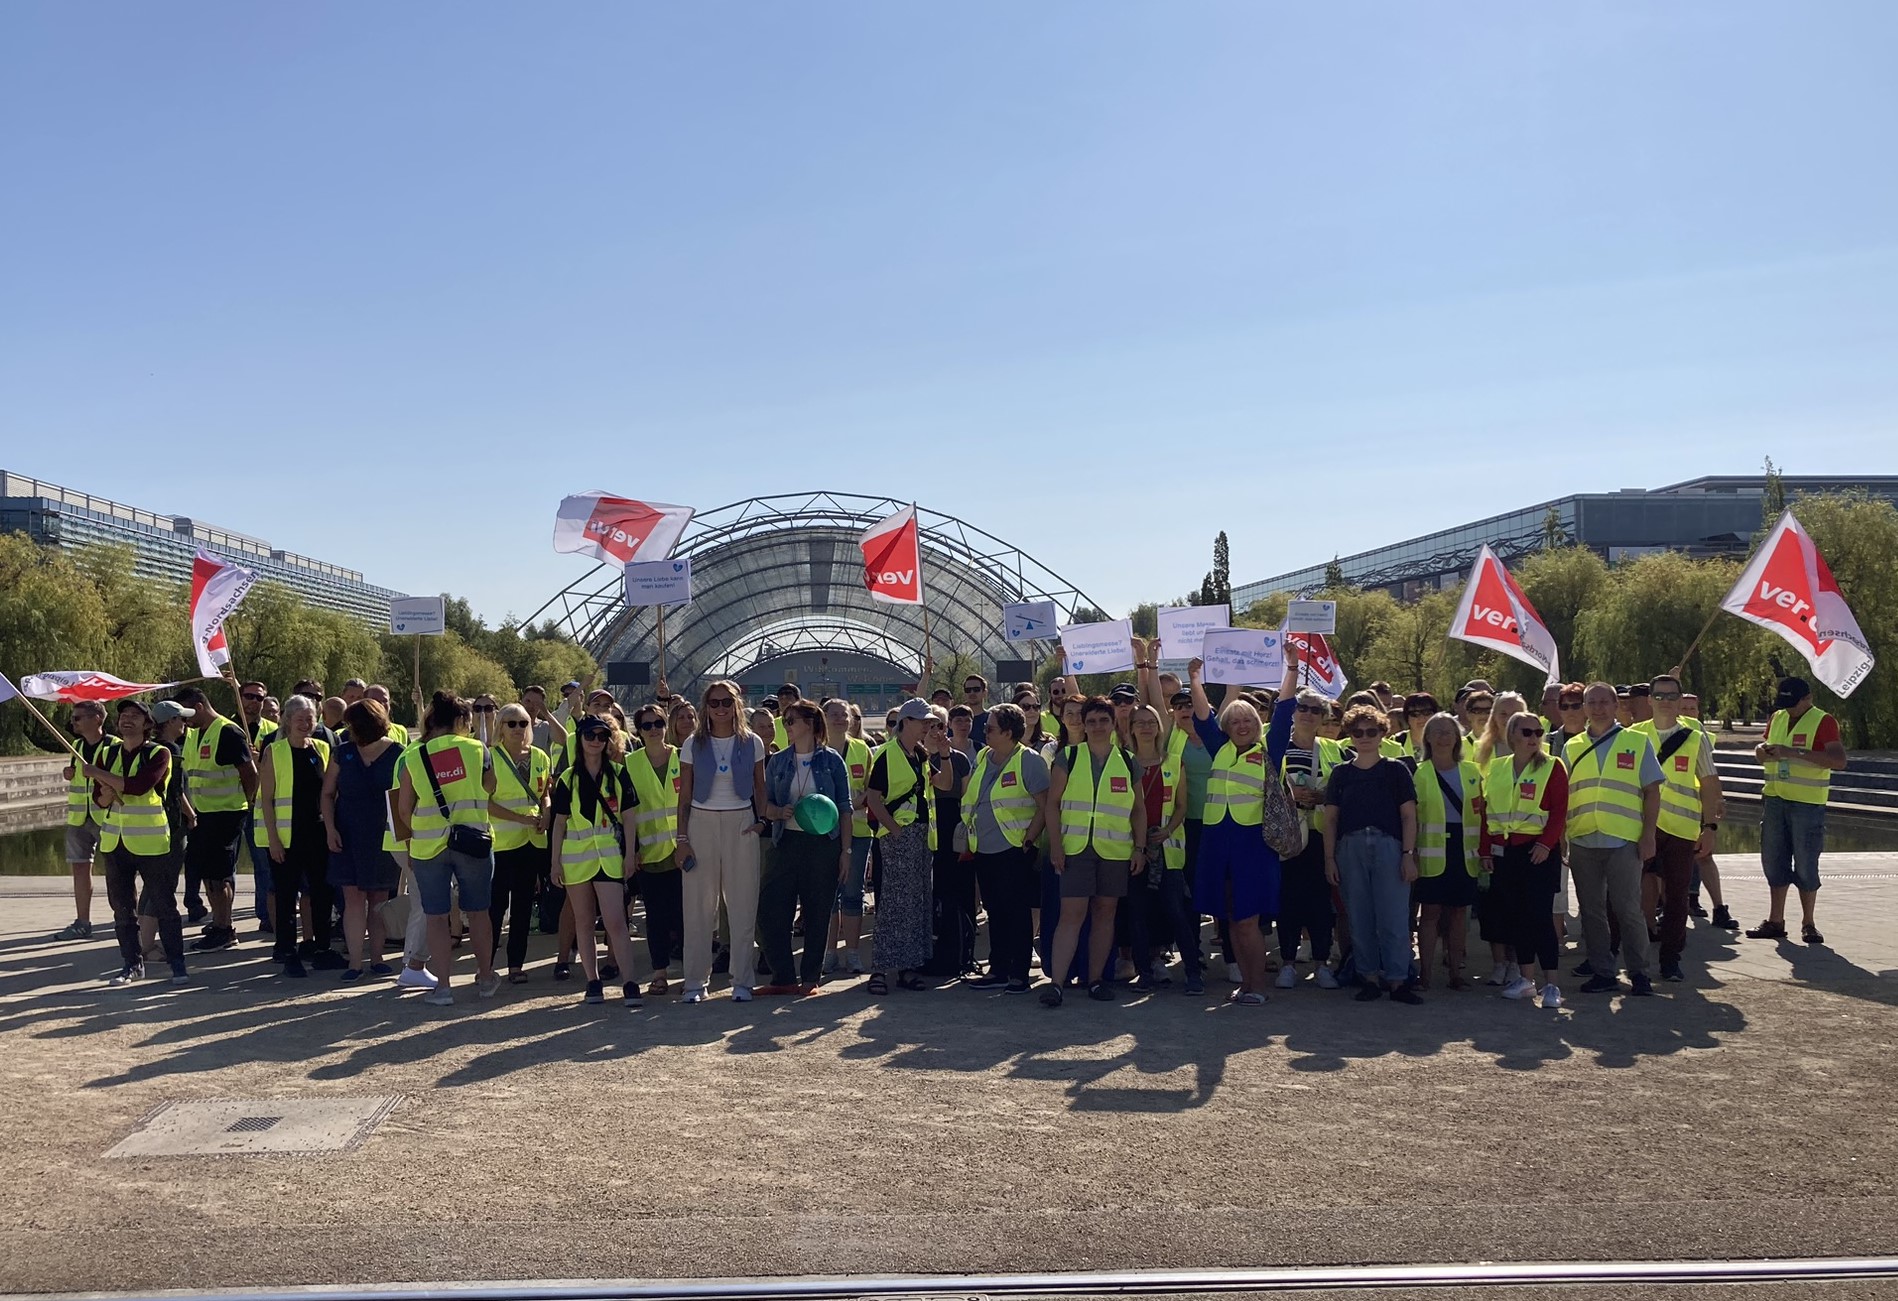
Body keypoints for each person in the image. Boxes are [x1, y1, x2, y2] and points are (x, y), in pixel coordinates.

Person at [1186, 656, 1284, 1004]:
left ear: (1258, 724)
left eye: (1248, 720)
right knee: (1228, 919)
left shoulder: (1269, 750)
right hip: (1216, 842)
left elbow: (1285, 711)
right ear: (1227, 727)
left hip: (1252, 843)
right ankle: (1244, 985)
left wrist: (1291, 668)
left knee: (1247, 921)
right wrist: (1195, 680)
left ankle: (1257, 986)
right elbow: (1202, 717)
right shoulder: (1219, 749)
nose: (1242, 725)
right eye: (1236, 721)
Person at [395, 691, 500, 1005]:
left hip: (428, 846)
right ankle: (484, 977)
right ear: (460, 720)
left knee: (436, 916)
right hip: (473, 841)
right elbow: (490, 787)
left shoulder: (413, 755)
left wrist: (418, 834)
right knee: (479, 913)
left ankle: (443, 987)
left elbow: (403, 808)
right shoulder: (477, 749)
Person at [1044, 696, 1147, 1006]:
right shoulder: (1068, 757)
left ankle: (1096, 980)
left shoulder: (1129, 761)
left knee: (1105, 915)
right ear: (1083, 725)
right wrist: (1056, 846)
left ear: (1114, 723)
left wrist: (1139, 848)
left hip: (1115, 851)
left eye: (1104, 720)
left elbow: (1139, 810)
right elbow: (1052, 804)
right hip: (1075, 849)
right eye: (1092, 721)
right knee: (1070, 916)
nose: (1098, 726)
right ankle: (1057, 984)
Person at [1564, 681, 1662, 997]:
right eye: (1591, 702)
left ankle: (1639, 972)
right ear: (1584, 706)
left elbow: (1652, 792)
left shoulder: (1636, 741)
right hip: (1582, 838)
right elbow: (1564, 795)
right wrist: (1562, 836)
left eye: (1604, 701)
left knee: (1628, 909)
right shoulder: (1572, 746)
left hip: (1623, 839)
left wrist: (1649, 835)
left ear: (1615, 705)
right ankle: (1603, 971)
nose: (1598, 707)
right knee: (1591, 911)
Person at [675, 679, 769, 1003]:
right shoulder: (692, 744)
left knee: (743, 906)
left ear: (736, 705)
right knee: (698, 909)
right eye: (713, 703)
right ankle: (694, 983)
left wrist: (761, 822)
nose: (720, 709)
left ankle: (742, 980)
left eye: (726, 702)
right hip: (701, 822)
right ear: (705, 707)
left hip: (741, 821)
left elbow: (761, 786)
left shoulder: (753, 742)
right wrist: (682, 838)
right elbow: (684, 796)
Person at [1324, 704, 1421, 1004]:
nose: (1364, 737)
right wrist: (1329, 859)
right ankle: (1367, 978)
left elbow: (1409, 816)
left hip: (1389, 846)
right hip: (1350, 848)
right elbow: (1330, 819)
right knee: (1359, 917)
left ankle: (1397, 980)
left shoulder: (1396, 770)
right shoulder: (1340, 773)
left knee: (1393, 917)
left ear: (1382, 733)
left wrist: (1408, 854)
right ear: (1349, 735)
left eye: (1371, 731)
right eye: (1357, 732)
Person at [757, 701, 853, 994]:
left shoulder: (832, 761)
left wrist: (846, 851)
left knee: (818, 910)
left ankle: (810, 978)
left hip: (822, 844)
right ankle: (783, 977)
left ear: (810, 724)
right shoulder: (778, 761)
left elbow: (844, 808)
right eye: (784, 721)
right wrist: (777, 812)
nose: (786, 726)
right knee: (771, 910)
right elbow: (766, 805)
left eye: (791, 720)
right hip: (785, 841)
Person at [1630, 674, 1722, 981]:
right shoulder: (1633, 735)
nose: (1665, 702)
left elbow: (1709, 784)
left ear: (1681, 700)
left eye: (1672, 696)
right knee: (1631, 894)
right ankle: (1634, 955)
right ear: (1649, 700)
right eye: (1659, 696)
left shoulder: (1695, 737)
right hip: (1641, 828)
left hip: (1681, 830)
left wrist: (1709, 828)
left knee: (1677, 898)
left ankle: (1671, 959)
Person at [89, 700, 186, 986]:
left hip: (151, 842)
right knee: (122, 908)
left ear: (147, 724)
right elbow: (99, 798)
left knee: (164, 904)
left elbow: (140, 786)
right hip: (115, 841)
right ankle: (131, 963)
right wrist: (104, 791)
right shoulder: (108, 754)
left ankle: (177, 963)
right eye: (123, 716)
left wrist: (97, 774)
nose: (126, 720)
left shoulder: (159, 753)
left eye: (134, 716)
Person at [548, 715, 641, 1008]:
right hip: (576, 860)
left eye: (602, 736)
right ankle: (593, 981)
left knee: (616, 921)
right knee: (584, 922)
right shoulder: (567, 779)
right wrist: (554, 863)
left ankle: (629, 982)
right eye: (590, 736)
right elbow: (559, 824)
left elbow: (629, 818)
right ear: (580, 738)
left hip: (610, 857)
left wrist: (630, 855)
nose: (596, 741)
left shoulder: (618, 773)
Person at [1748, 676, 1849, 945]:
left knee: (1806, 864)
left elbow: (1838, 761)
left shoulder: (1823, 720)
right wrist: (1761, 751)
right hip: (1774, 799)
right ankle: (1775, 920)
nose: (1788, 709)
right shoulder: (1778, 717)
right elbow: (1764, 746)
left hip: (1807, 804)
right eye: (1784, 703)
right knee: (1773, 861)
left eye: (1794, 704)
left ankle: (1809, 923)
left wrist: (1793, 753)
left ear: (1808, 699)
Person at [1481, 711, 1570, 1007]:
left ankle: (1552, 985)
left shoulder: (1552, 766)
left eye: (1538, 732)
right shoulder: (1497, 767)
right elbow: (1487, 812)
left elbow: (1559, 811)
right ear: (1512, 736)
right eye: (1527, 732)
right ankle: (1526, 980)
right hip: (1505, 853)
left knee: (1541, 917)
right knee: (1517, 917)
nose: (1533, 738)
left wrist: (1546, 844)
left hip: (1538, 852)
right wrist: (1486, 849)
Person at [963, 703, 1048, 994]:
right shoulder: (985, 757)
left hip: (1014, 850)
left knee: (1017, 912)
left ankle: (1019, 973)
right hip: (983, 848)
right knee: (995, 911)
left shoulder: (1030, 761)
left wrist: (1028, 840)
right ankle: (998, 969)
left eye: (990, 728)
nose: (984, 732)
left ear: (1008, 733)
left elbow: (1044, 805)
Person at [322, 698, 405, 982]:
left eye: (352, 724)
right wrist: (330, 829)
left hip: (383, 837)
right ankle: (355, 963)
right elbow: (327, 793)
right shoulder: (341, 753)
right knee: (353, 900)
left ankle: (378, 959)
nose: (348, 729)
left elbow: (406, 798)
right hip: (346, 834)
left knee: (379, 900)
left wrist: (405, 837)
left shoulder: (398, 754)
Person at [256, 695, 337, 978]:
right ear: (287, 721)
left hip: (317, 833)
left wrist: (331, 830)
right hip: (286, 836)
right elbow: (266, 800)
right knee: (286, 894)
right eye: (300, 719)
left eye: (311, 718)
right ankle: (287, 950)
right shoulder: (274, 751)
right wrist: (274, 840)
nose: (306, 724)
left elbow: (330, 794)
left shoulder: (324, 749)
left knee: (321, 892)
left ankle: (322, 948)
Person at [177, 686, 259, 953]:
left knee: (219, 875)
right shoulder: (193, 734)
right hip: (202, 815)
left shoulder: (227, 731)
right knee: (207, 873)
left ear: (199, 707)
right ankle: (219, 923)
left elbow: (249, 772)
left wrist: (249, 803)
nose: (185, 721)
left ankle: (225, 929)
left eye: (187, 714)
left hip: (226, 813)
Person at [864, 698, 936, 995]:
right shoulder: (886, 754)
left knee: (916, 902)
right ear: (906, 722)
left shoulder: (920, 754)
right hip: (898, 836)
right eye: (922, 722)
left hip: (920, 835)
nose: (926, 726)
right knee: (894, 903)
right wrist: (893, 830)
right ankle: (880, 969)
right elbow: (872, 796)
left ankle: (908, 965)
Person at [1275, 684, 1342, 991]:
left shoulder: (1333, 749)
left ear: (1324, 717)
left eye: (1316, 710)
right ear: (1293, 712)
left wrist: (1323, 794)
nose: (1308, 714)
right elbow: (1263, 786)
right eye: (1302, 707)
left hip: (1319, 835)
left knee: (1319, 902)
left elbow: (1343, 788)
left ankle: (1321, 963)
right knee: (1287, 900)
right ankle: (1287, 963)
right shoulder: (1276, 746)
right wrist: (1290, 796)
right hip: (1286, 836)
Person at [1412, 714, 1483, 990]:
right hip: (1431, 853)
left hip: (1464, 852)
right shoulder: (1419, 773)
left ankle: (1456, 973)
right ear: (1427, 738)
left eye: (1449, 732)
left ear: (1457, 737)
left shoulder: (1472, 772)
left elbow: (1481, 812)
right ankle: (1425, 974)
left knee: (1457, 915)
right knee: (1429, 914)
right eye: (1437, 731)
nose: (1443, 736)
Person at [486, 701, 551, 985]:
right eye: (510, 723)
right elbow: (486, 803)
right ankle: (485, 965)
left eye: (523, 723)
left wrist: (546, 812)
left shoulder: (540, 757)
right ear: (500, 727)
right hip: (501, 843)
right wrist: (521, 819)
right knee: (495, 907)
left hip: (532, 842)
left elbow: (545, 792)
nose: (517, 728)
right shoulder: (489, 756)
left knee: (524, 906)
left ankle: (516, 965)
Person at [1129, 701, 1192, 990]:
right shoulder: (1123, 761)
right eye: (1139, 722)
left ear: (1159, 728)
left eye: (1151, 722)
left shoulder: (1174, 761)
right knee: (1138, 913)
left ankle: (1193, 973)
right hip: (1132, 849)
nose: (1146, 727)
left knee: (1175, 911)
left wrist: (1167, 830)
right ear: (1130, 728)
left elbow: (1181, 806)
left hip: (1168, 849)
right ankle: (1144, 972)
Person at [625, 703, 683, 994]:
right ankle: (659, 972)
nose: (653, 730)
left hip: (683, 851)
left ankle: (692, 973)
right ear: (638, 729)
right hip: (648, 853)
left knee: (685, 915)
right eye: (646, 725)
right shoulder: (630, 764)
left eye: (658, 723)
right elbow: (626, 812)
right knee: (656, 917)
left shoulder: (683, 759)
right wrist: (631, 849)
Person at [53, 700, 114, 941]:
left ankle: (125, 919)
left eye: (78, 717)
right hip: (79, 818)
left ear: (97, 719)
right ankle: (82, 921)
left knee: (117, 870)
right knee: (79, 868)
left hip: (106, 817)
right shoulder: (76, 745)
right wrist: (69, 773)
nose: (73, 722)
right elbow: (78, 778)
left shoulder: (114, 746)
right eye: (73, 717)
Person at [823, 697, 875, 977]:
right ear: (824, 717)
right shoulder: (817, 750)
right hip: (825, 834)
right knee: (829, 895)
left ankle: (852, 954)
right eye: (833, 714)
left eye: (844, 714)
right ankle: (829, 954)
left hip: (857, 832)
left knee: (853, 893)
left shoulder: (862, 749)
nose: (840, 719)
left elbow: (870, 787)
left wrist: (859, 799)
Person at [924, 706, 975, 976]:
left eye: (940, 726)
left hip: (952, 831)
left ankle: (956, 951)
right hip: (922, 828)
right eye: (929, 726)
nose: (935, 732)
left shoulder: (961, 760)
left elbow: (966, 801)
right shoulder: (913, 758)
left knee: (954, 892)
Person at [963, 673, 990, 749]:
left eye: (976, 689)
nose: (972, 693)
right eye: (968, 690)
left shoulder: (992, 719)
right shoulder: (956, 720)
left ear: (984, 693)